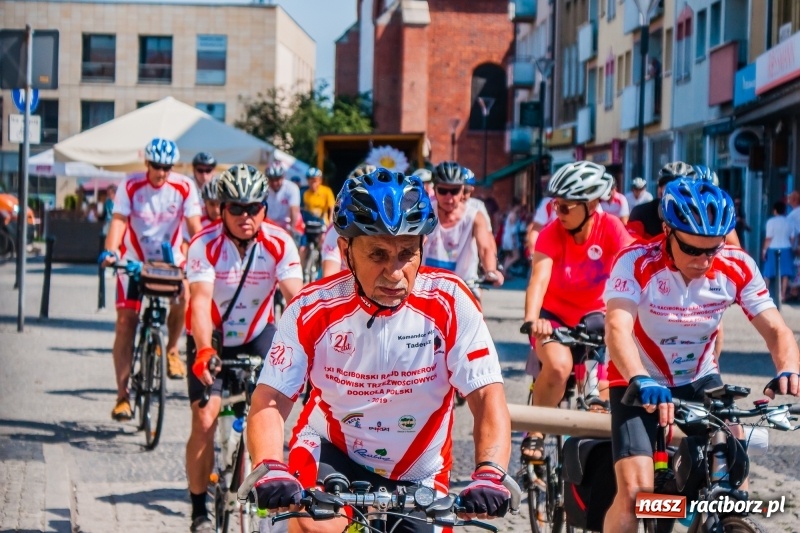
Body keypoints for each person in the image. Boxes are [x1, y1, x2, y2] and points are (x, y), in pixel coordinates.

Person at [246, 168, 513, 532]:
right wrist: (271, 466)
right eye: (378, 254)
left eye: (407, 252)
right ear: (346, 251)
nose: (395, 271)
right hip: (333, 453)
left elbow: (486, 395)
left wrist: (489, 472)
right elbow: (271, 399)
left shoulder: (451, 302)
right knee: (313, 526)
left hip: (419, 470)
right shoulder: (312, 308)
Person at [602, 178, 800, 533]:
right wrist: (640, 378)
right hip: (638, 378)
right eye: (693, 250)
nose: (705, 261)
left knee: (733, 480)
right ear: (667, 232)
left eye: (713, 249)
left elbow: (776, 329)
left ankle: (726, 521)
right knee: (636, 495)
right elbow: (617, 328)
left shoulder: (735, 265)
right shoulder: (635, 262)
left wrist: (789, 369)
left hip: (699, 378)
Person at [184, 164, 302, 533]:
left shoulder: (280, 243)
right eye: (236, 208)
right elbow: (200, 303)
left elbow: (296, 301)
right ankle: (198, 508)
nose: (245, 216)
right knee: (205, 419)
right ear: (222, 209)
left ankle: (265, 487)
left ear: (264, 209)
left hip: (257, 333)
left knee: (269, 412)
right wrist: (204, 349)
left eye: (253, 208)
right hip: (213, 336)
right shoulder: (204, 245)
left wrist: (310, 355)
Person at [521, 161, 634, 460]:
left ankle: (595, 453)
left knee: (603, 384)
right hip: (553, 317)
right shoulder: (550, 233)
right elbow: (538, 280)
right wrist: (533, 320)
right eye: (556, 205)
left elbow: (634, 268)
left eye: (566, 207)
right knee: (558, 367)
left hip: (594, 317)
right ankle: (536, 430)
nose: (558, 213)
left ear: (592, 204)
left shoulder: (610, 227)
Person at [99, 138, 202, 420]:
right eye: (157, 166)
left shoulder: (183, 187)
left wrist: (204, 253)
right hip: (134, 258)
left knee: (187, 292)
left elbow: (195, 227)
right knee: (125, 322)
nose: (162, 172)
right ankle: (123, 396)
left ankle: (170, 351)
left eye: (167, 167)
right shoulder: (131, 185)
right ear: (147, 163)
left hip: (170, 260)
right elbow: (119, 220)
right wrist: (110, 251)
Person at [423, 161, 503, 300]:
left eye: (454, 191)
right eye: (443, 191)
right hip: (426, 284)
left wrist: (491, 270)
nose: (449, 197)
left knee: (476, 316)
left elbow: (485, 248)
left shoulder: (475, 216)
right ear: (435, 189)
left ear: (462, 191)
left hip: (463, 285)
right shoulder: (424, 212)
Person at [628, 161, 695, 241]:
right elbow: (631, 244)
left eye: (683, 189)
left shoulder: (699, 216)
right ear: (659, 191)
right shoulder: (640, 213)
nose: (677, 194)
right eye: (671, 189)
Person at [762, 201, 796, 302]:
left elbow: (768, 238)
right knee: (785, 273)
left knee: (768, 272)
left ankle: (765, 293)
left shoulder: (771, 222)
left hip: (773, 248)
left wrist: (764, 250)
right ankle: (782, 294)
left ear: (775, 211)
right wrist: (792, 248)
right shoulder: (790, 222)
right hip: (786, 247)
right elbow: (792, 238)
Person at [264, 161, 302, 236]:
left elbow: (294, 210)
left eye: (277, 179)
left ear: (283, 177)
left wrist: (291, 229)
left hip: (288, 223)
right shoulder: (263, 189)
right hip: (270, 225)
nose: (274, 183)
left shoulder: (292, 188)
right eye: (271, 180)